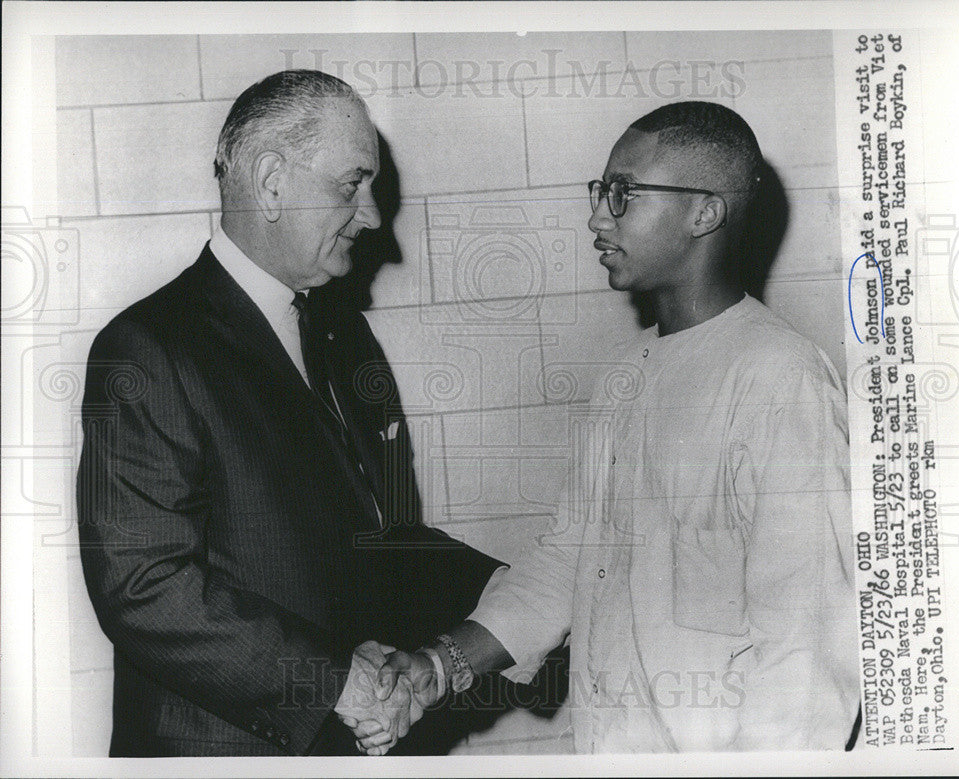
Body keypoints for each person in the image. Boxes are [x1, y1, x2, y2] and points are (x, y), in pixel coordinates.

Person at [347, 100, 861, 753]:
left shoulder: (780, 377)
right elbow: (568, 560)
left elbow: (807, 655)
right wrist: (436, 667)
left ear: (704, 211)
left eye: (622, 194)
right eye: (600, 192)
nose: (597, 216)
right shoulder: (626, 375)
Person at [75, 69, 502, 757]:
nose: (370, 216)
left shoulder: (343, 337)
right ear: (273, 182)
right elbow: (143, 585)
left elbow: (381, 539)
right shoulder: (147, 348)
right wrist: (337, 682)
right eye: (351, 185)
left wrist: (511, 589)